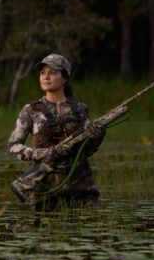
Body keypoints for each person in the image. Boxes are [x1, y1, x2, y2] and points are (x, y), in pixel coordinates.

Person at [6, 53, 106, 209]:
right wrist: (42, 153)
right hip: (46, 191)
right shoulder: (31, 110)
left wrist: (98, 136)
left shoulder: (80, 109)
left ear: (65, 78)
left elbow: (86, 150)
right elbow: (12, 146)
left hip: (82, 189)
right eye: (42, 73)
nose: (46, 77)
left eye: (52, 73)